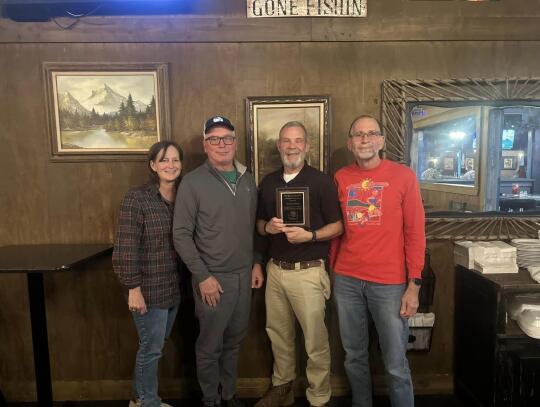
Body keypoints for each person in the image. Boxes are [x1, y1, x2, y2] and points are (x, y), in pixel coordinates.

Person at [331, 115, 426, 407]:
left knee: (396, 362)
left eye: (371, 134)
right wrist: (330, 272)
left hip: (391, 283)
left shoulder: (403, 176)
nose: (364, 139)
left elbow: (415, 232)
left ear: (382, 141)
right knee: (354, 356)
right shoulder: (341, 177)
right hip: (346, 280)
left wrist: (414, 284)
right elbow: (337, 231)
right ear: (350, 142)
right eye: (358, 134)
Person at [173, 116, 264, 407]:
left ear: (235, 143)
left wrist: (257, 263)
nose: (221, 144)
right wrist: (203, 276)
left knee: (234, 343)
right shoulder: (192, 182)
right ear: (205, 144)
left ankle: (229, 395)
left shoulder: (247, 178)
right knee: (210, 346)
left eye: (227, 138)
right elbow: (181, 235)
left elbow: (252, 227)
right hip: (212, 279)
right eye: (214, 139)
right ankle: (211, 400)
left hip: (243, 276)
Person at [255, 121, 343, 407]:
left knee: (315, 340)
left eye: (298, 141)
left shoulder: (321, 181)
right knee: (278, 335)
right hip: (276, 270)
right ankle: (282, 388)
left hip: (308, 272)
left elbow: (339, 226)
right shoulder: (268, 183)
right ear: (279, 145)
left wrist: (311, 235)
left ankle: (318, 396)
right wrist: (267, 227)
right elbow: (258, 224)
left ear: (306, 145)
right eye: (286, 141)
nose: (291, 146)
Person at [112, 141, 184, 407]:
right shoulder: (137, 198)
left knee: (155, 346)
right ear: (153, 165)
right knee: (151, 349)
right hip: (147, 289)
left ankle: (138, 399)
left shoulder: (184, 197)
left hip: (173, 287)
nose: (170, 165)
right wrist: (133, 288)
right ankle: (149, 402)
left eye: (175, 160)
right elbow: (125, 247)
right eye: (164, 160)